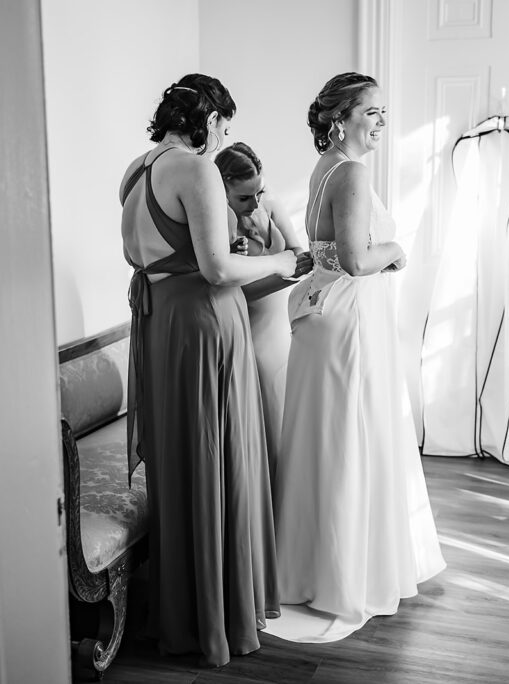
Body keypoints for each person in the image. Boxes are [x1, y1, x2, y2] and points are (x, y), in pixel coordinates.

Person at [119, 73, 296, 667]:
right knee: (221, 460)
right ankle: (218, 616)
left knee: (183, 463)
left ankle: (184, 609)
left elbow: (158, 258)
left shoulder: (136, 172)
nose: (224, 138)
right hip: (202, 326)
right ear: (211, 120)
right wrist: (282, 259)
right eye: (224, 126)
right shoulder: (196, 170)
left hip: (161, 324)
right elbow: (218, 269)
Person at [265, 72, 446, 644]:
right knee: (350, 438)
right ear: (341, 118)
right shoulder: (351, 172)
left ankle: (312, 567)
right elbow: (356, 258)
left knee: (330, 438)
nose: (382, 121)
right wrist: (398, 250)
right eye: (372, 111)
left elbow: (329, 253)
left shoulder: (327, 170)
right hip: (348, 322)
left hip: (327, 315)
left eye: (384, 111)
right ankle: (345, 577)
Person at [214, 143, 311, 492]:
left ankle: (287, 518)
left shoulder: (266, 203)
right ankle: (264, 519)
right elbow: (231, 294)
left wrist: (269, 235)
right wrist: (277, 270)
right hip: (249, 337)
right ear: (222, 187)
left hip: (281, 333)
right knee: (266, 432)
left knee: (287, 428)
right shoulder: (215, 220)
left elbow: (300, 254)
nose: (254, 203)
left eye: (259, 191)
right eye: (244, 198)